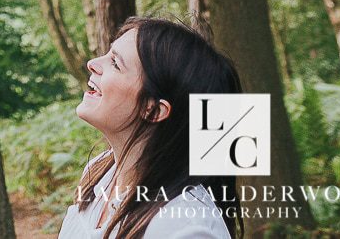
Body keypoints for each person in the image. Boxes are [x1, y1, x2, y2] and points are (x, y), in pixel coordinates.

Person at [60, 17, 244, 239]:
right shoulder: (99, 172)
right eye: (109, 54)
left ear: (154, 110)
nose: (92, 63)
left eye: (116, 63)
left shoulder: (185, 227)